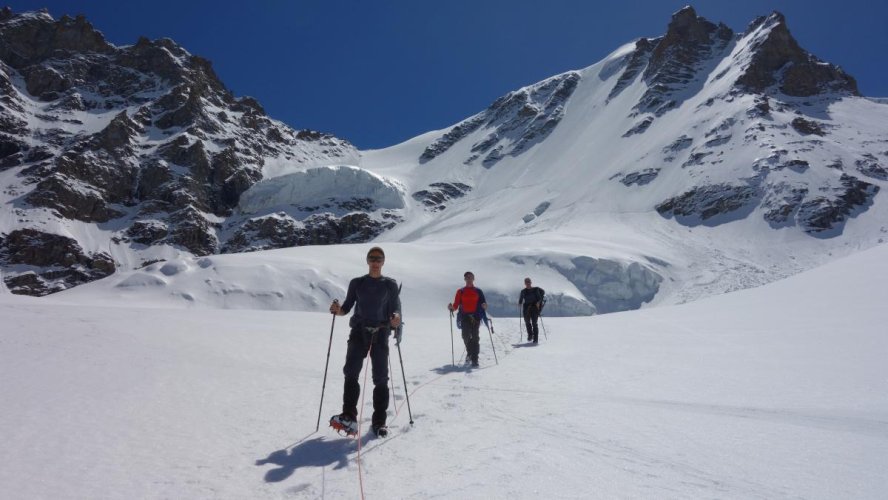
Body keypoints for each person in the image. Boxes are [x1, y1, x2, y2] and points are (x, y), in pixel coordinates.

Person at [329, 246, 401, 438]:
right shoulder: (357, 283)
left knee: (381, 378)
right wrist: (338, 310)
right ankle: (349, 416)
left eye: (378, 259)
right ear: (367, 261)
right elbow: (347, 307)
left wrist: (396, 318)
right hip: (359, 332)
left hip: (381, 332)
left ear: (383, 262)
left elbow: (395, 308)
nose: (375, 262)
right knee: (351, 372)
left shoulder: (390, 285)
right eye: (372, 258)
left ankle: (379, 422)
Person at [448, 271, 487, 367]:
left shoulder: (478, 291)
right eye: (467, 277)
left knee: (475, 337)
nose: (469, 279)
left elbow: (483, 302)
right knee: (465, 336)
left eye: (471, 277)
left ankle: (475, 359)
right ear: (465, 279)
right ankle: (470, 353)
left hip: (476, 316)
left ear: (473, 279)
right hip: (465, 316)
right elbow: (456, 305)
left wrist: (484, 305)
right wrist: (451, 308)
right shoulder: (460, 291)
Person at [518, 277, 545, 343]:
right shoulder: (523, 291)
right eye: (526, 282)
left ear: (531, 282)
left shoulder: (535, 290)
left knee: (534, 323)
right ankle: (530, 335)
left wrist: (538, 303)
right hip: (526, 308)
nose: (528, 283)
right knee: (527, 322)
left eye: (529, 282)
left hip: (534, 308)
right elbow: (520, 300)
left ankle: (535, 339)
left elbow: (539, 298)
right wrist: (520, 303)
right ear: (525, 283)